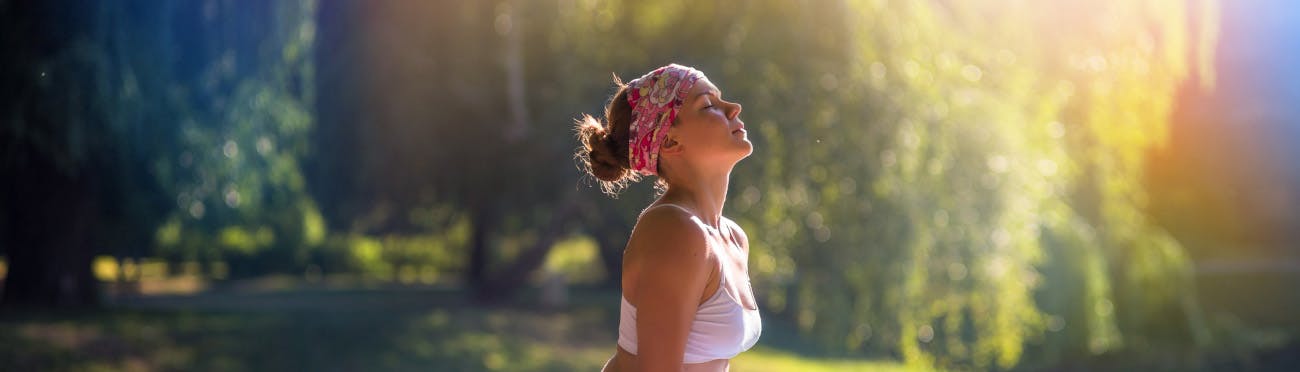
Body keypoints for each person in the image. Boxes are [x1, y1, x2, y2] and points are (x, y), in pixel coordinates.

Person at [575, 64, 761, 372]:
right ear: (672, 142)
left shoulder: (732, 237)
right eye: (709, 105)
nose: (733, 108)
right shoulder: (675, 230)